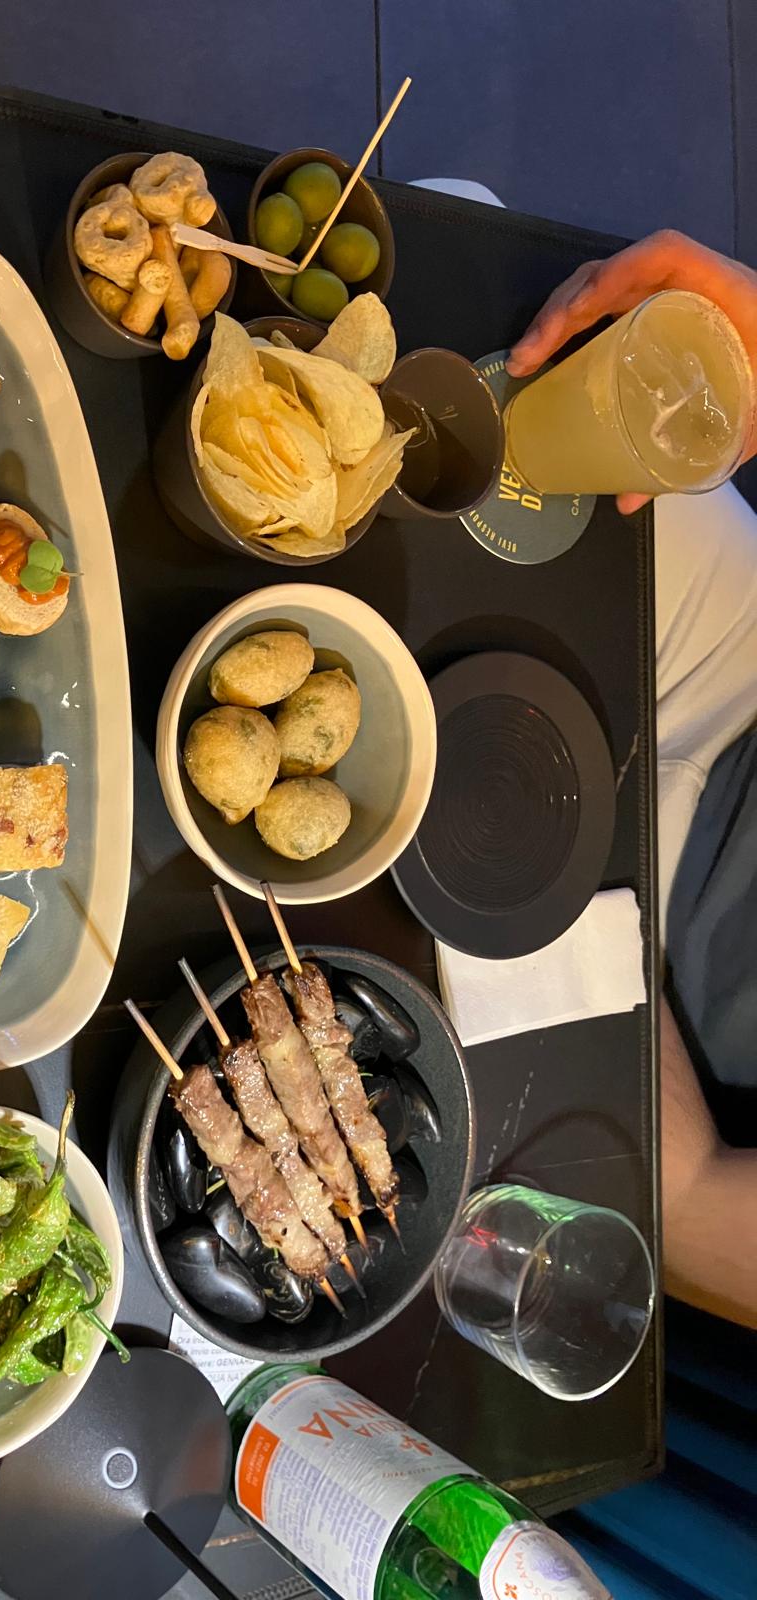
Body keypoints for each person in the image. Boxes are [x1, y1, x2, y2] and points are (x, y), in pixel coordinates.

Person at [505, 231, 757, 1329]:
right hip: (740, 663)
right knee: (488, 374)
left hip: (642, 973)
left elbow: (695, 1208)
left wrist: (561, 887)